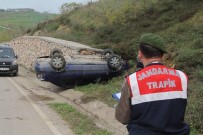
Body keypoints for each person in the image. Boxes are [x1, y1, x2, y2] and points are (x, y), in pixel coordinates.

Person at [115, 33, 190, 135]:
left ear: (140, 54)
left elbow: (122, 118)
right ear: (162, 55)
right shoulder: (182, 77)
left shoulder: (132, 80)